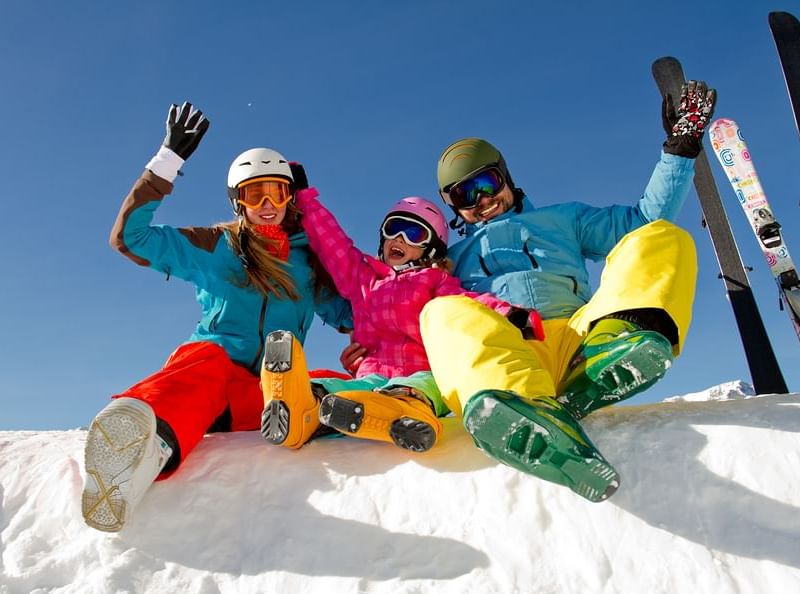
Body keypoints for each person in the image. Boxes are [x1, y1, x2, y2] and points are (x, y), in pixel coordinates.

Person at [416, 81, 716, 502]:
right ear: (453, 206)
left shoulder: (564, 219)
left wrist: (679, 151)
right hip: (515, 354)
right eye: (465, 195)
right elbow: (382, 301)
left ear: (505, 176)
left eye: (486, 182)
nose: (481, 200)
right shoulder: (453, 257)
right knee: (438, 312)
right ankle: (524, 410)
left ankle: (615, 349)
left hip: (582, 340)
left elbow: (645, 219)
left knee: (661, 236)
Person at [81, 102, 352, 532]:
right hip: (210, 379)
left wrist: (383, 332)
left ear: (290, 198)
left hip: (265, 394)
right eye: (252, 193)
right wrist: (166, 162)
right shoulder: (216, 246)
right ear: (236, 201)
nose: (266, 204)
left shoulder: (308, 264)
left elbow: (352, 314)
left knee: (328, 381)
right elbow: (130, 238)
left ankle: (324, 411)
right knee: (205, 364)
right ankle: (141, 447)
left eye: (276, 192)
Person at [259, 175, 544, 453]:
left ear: (430, 249)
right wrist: (306, 199)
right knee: (341, 388)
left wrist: (511, 315)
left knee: (421, 387)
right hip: (373, 373)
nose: (399, 238)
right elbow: (334, 246)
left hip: (422, 372)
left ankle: (405, 414)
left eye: (414, 234)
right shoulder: (366, 280)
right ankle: (298, 407)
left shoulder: (434, 281)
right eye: (394, 228)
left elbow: (467, 304)